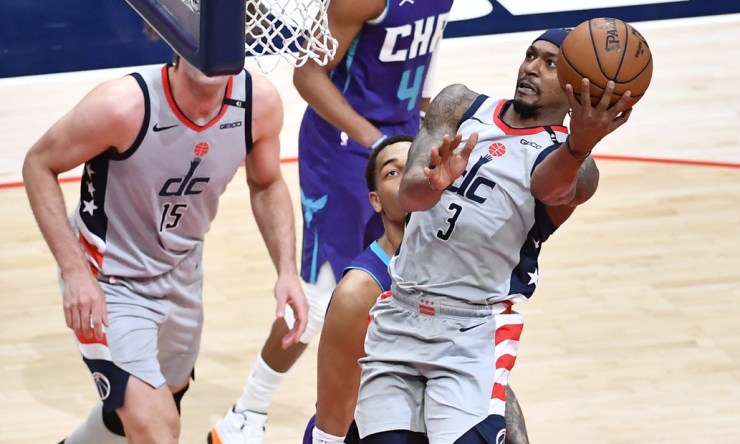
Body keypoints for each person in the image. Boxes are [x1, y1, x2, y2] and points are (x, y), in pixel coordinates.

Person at [354, 28, 634, 443]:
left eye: (550, 63)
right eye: (530, 55)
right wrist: (434, 182)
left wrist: (580, 144)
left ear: (577, 90)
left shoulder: (578, 169)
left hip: (471, 334)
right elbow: (409, 197)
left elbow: (551, 189)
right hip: (401, 313)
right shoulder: (459, 105)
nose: (531, 67)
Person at [22, 52, 308, 444]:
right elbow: (39, 164)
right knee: (158, 427)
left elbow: (267, 182)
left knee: (160, 402)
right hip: (110, 280)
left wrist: (286, 270)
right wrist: (74, 271)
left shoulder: (259, 102)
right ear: (179, 37)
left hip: (183, 272)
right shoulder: (123, 105)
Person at [210, 0, 455, 441]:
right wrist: (378, 142)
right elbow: (307, 75)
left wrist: (425, 125)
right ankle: (244, 414)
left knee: (404, 278)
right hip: (344, 147)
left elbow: (424, 55)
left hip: (401, 141)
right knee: (322, 298)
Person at [303, 135, 530, 444]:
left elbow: (485, 373)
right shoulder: (359, 291)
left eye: (417, 163)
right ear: (376, 200)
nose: (409, 175)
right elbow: (330, 424)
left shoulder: (459, 271)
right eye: (392, 172)